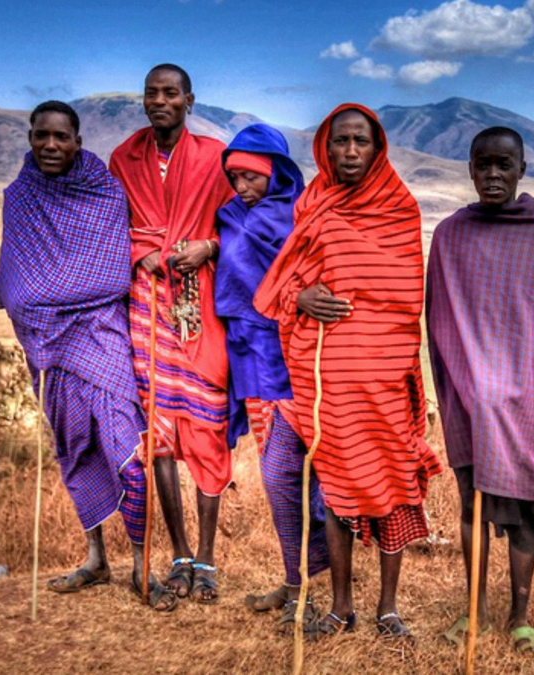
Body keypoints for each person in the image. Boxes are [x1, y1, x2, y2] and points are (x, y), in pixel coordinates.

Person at [254, 103, 442, 641]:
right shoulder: (312, 203)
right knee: (336, 483)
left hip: (382, 370)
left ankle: (388, 608)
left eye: (361, 141)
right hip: (322, 370)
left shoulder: (399, 208)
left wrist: (389, 359)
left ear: (376, 146)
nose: (351, 151)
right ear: (325, 147)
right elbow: (286, 281)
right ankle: (339, 606)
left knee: (391, 484)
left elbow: (406, 295)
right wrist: (302, 297)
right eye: (341, 142)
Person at [0, 100, 175, 611]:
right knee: (76, 450)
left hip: (100, 336)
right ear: (30, 138)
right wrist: (33, 305)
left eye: (60, 137)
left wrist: (49, 295)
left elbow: (111, 272)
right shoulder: (19, 197)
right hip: (47, 348)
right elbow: (14, 278)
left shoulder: (103, 192)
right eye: (41, 136)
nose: (50, 145)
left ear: (77, 140)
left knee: (129, 453)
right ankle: (96, 557)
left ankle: (143, 566)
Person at [426, 126, 534, 653]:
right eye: (482, 165)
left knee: (522, 508)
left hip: (525, 398)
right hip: (469, 394)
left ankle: (519, 614)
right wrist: (472, 386)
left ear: (522, 170)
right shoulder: (450, 235)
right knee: (471, 504)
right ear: (469, 169)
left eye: (503, 165)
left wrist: (522, 388)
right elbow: (442, 322)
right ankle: (476, 612)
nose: (493, 175)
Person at [108, 64, 234, 603]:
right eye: (151, 94)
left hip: (200, 303)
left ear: (189, 99)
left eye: (170, 93)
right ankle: (179, 554)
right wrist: (147, 253)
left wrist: (209, 247)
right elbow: (110, 228)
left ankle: (207, 557)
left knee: (205, 425)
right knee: (156, 432)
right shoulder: (123, 158)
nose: (159, 101)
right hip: (145, 303)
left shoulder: (215, 157)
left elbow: (244, 224)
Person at [212, 123, 330, 629]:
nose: (241, 187)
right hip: (248, 357)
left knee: (294, 472)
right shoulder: (231, 217)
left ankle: (316, 587)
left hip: (288, 357)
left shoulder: (294, 218)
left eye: (251, 177)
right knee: (274, 472)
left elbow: (306, 280)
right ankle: (294, 579)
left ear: (275, 171)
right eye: (234, 177)